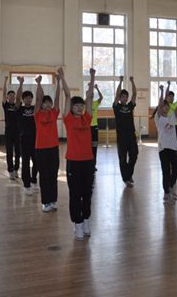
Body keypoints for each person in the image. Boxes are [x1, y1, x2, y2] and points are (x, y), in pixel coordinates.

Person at [61, 68, 96, 240]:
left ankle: (86, 219)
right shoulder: (68, 120)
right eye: (76, 105)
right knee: (75, 193)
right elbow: (67, 96)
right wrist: (62, 78)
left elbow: (89, 97)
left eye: (81, 105)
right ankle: (78, 223)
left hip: (88, 161)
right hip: (73, 161)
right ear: (72, 108)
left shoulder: (86, 119)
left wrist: (92, 77)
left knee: (87, 192)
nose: (80, 107)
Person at [34, 71, 61, 212]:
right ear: (42, 105)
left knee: (53, 175)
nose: (48, 104)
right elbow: (38, 99)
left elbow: (57, 98)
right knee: (44, 175)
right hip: (41, 148)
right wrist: (39, 84)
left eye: (49, 102)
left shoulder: (54, 113)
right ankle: (45, 202)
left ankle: (53, 200)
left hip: (54, 148)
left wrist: (59, 82)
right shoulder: (37, 114)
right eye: (46, 103)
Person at [155, 83, 177, 204]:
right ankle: (166, 192)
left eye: (167, 107)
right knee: (166, 171)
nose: (166, 108)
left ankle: (171, 186)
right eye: (164, 107)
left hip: (174, 147)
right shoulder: (159, 118)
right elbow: (159, 104)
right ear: (161, 108)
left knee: (176, 169)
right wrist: (162, 92)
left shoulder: (172, 116)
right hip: (163, 148)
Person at [113, 76, 138, 187]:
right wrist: (120, 81)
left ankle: (129, 174)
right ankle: (126, 179)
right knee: (122, 158)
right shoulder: (116, 107)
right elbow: (117, 94)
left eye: (126, 96)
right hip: (121, 136)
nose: (125, 98)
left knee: (134, 155)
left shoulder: (130, 106)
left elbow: (135, 94)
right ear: (120, 98)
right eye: (122, 96)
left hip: (131, 135)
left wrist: (132, 81)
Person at [15, 77, 38, 195]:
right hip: (24, 139)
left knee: (37, 161)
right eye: (26, 98)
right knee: (25, 163)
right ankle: (26, 185)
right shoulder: (20, 109)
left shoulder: (35, 109)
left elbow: (40, 99)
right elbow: (17, 98)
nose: (28, 99)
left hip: (35, 138)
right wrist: (21, 84)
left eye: (30, 98)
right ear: (23, 100)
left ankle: (34, 180)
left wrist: (39, 84)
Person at [2, 76, 20, 179]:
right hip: (8, 132)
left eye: (13, 96)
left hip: (17, 132)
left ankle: (16, 169)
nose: (12, 97)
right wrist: (5, 81)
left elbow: (19, 97)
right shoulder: (6, 105)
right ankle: (10, 170)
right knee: (9, 152)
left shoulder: (17, 106)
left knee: (18, 152)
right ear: (8, 97)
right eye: (10, 96)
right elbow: (3, 93)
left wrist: (20, 83)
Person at [90, 84, 103, 172]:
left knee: (94, 147)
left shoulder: (95, 103)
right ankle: (88, 165)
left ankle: (93, 165)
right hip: (87, 128)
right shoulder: (84, 104)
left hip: (94, 128)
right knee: (87, 147)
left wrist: (97, 88)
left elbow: (101, 97)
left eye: (92, 94)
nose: (91, 96)